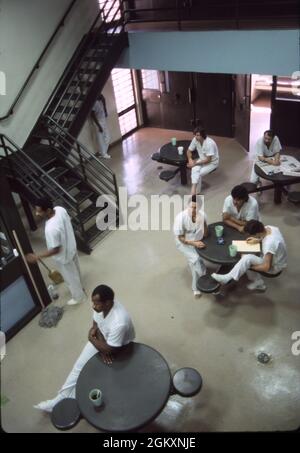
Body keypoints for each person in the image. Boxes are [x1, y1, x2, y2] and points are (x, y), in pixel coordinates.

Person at [34, 285, 135, 412]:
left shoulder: (119, 321)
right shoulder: (99, 308)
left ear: (108, 303)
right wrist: (101, 345)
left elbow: (110, 349)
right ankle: (60, 398)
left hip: (121, 347)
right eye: (93, 302)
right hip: (102, 341)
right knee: (78, 367)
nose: (93, 306)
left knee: (98, 375)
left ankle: (72, 399)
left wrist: (92, 339)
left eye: (96, 303)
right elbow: (96, 324)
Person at [26, 196, 86, 306]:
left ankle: (79, 297)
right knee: (76, 270)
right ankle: (80, 286)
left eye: (39, 211)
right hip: (71, 246)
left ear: (48, 210)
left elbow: (56, 249)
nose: (36, 213)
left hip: (64, 257)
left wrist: (37, 256)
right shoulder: (60, 209)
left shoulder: (51, 229)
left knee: (70, 278)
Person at [211, 220, 287, 291]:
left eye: (253, 235)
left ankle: (227, 278)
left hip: (275, 267)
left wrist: (249, 266)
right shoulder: (270, 227)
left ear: (257, 234)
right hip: (276, 257)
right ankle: (259, 282)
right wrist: (258, 240)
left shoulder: (269, 244)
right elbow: (270, 240)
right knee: (245, 260)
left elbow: (266, 267)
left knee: (246, 259)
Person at [173, 195, 208, 297]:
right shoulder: (180, 218)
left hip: (195, 238)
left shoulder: (202, 215)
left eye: (195, 208)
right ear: (187, 206)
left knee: (195, 261)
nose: (193, 210)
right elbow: (181, 238)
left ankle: (201, 273)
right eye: (191, 207)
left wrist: (203, 222)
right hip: (182, 242)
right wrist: (194, 243)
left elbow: (205, 234)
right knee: (196, 260)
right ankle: (200, 284)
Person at [187, 127, 219, 195]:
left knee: (199, 173)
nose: (196, 137)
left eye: (198, 135)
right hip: (202, 159)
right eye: (195, 135)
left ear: (203, 135)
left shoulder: (209, 143)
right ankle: (194, 189)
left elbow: (208, 160)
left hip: (212, 163)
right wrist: (190, 160)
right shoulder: (195, 139)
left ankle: (194, 192)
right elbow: (189, 151)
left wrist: (194, 163)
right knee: (194, 169)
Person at [90, 93, 111, 159]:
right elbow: (92, 115)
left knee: (108, 136)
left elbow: (103, 99)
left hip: (103, 120)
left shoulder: (100, 101)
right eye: (99, 95)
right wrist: (99, 126)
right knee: (100, 139)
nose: (101, 96)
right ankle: (104, 154)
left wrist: (105, 110)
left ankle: (102, 152)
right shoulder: (94, 103)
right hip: (98, 122)